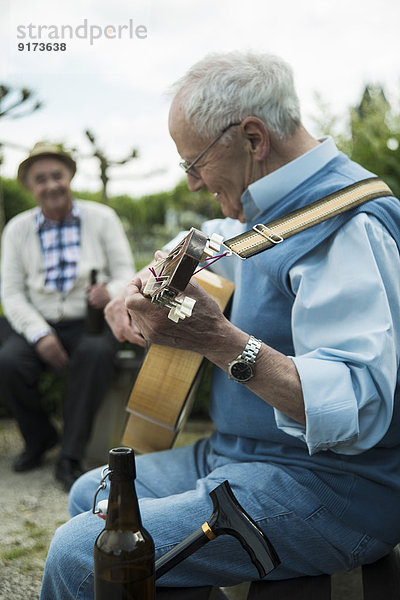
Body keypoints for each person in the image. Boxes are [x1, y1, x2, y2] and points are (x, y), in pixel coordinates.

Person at [40, 51, 400, 597]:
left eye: (194, 163)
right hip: (240, 456)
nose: (189, 182)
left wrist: (219, 340)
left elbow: (356, 406)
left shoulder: (348, 227)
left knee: (79, 554)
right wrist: (138, 283)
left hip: (334, 487)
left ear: (253, 139)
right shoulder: (266, 207)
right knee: (98, 491)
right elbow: (207, 242)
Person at [0, 142, 136, 491]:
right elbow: (11, 293)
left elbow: (127, 273)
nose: (51, 185)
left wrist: (110, 291)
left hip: (89, 319)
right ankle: (39, 437)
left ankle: (70, 455)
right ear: (30, 187)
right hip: (38, 319)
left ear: (70, 176)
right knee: (10, 360)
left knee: (94, 354)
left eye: (57, 175)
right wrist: (39, 334)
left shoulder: (101, 218)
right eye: (40, 179)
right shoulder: (17, 228)